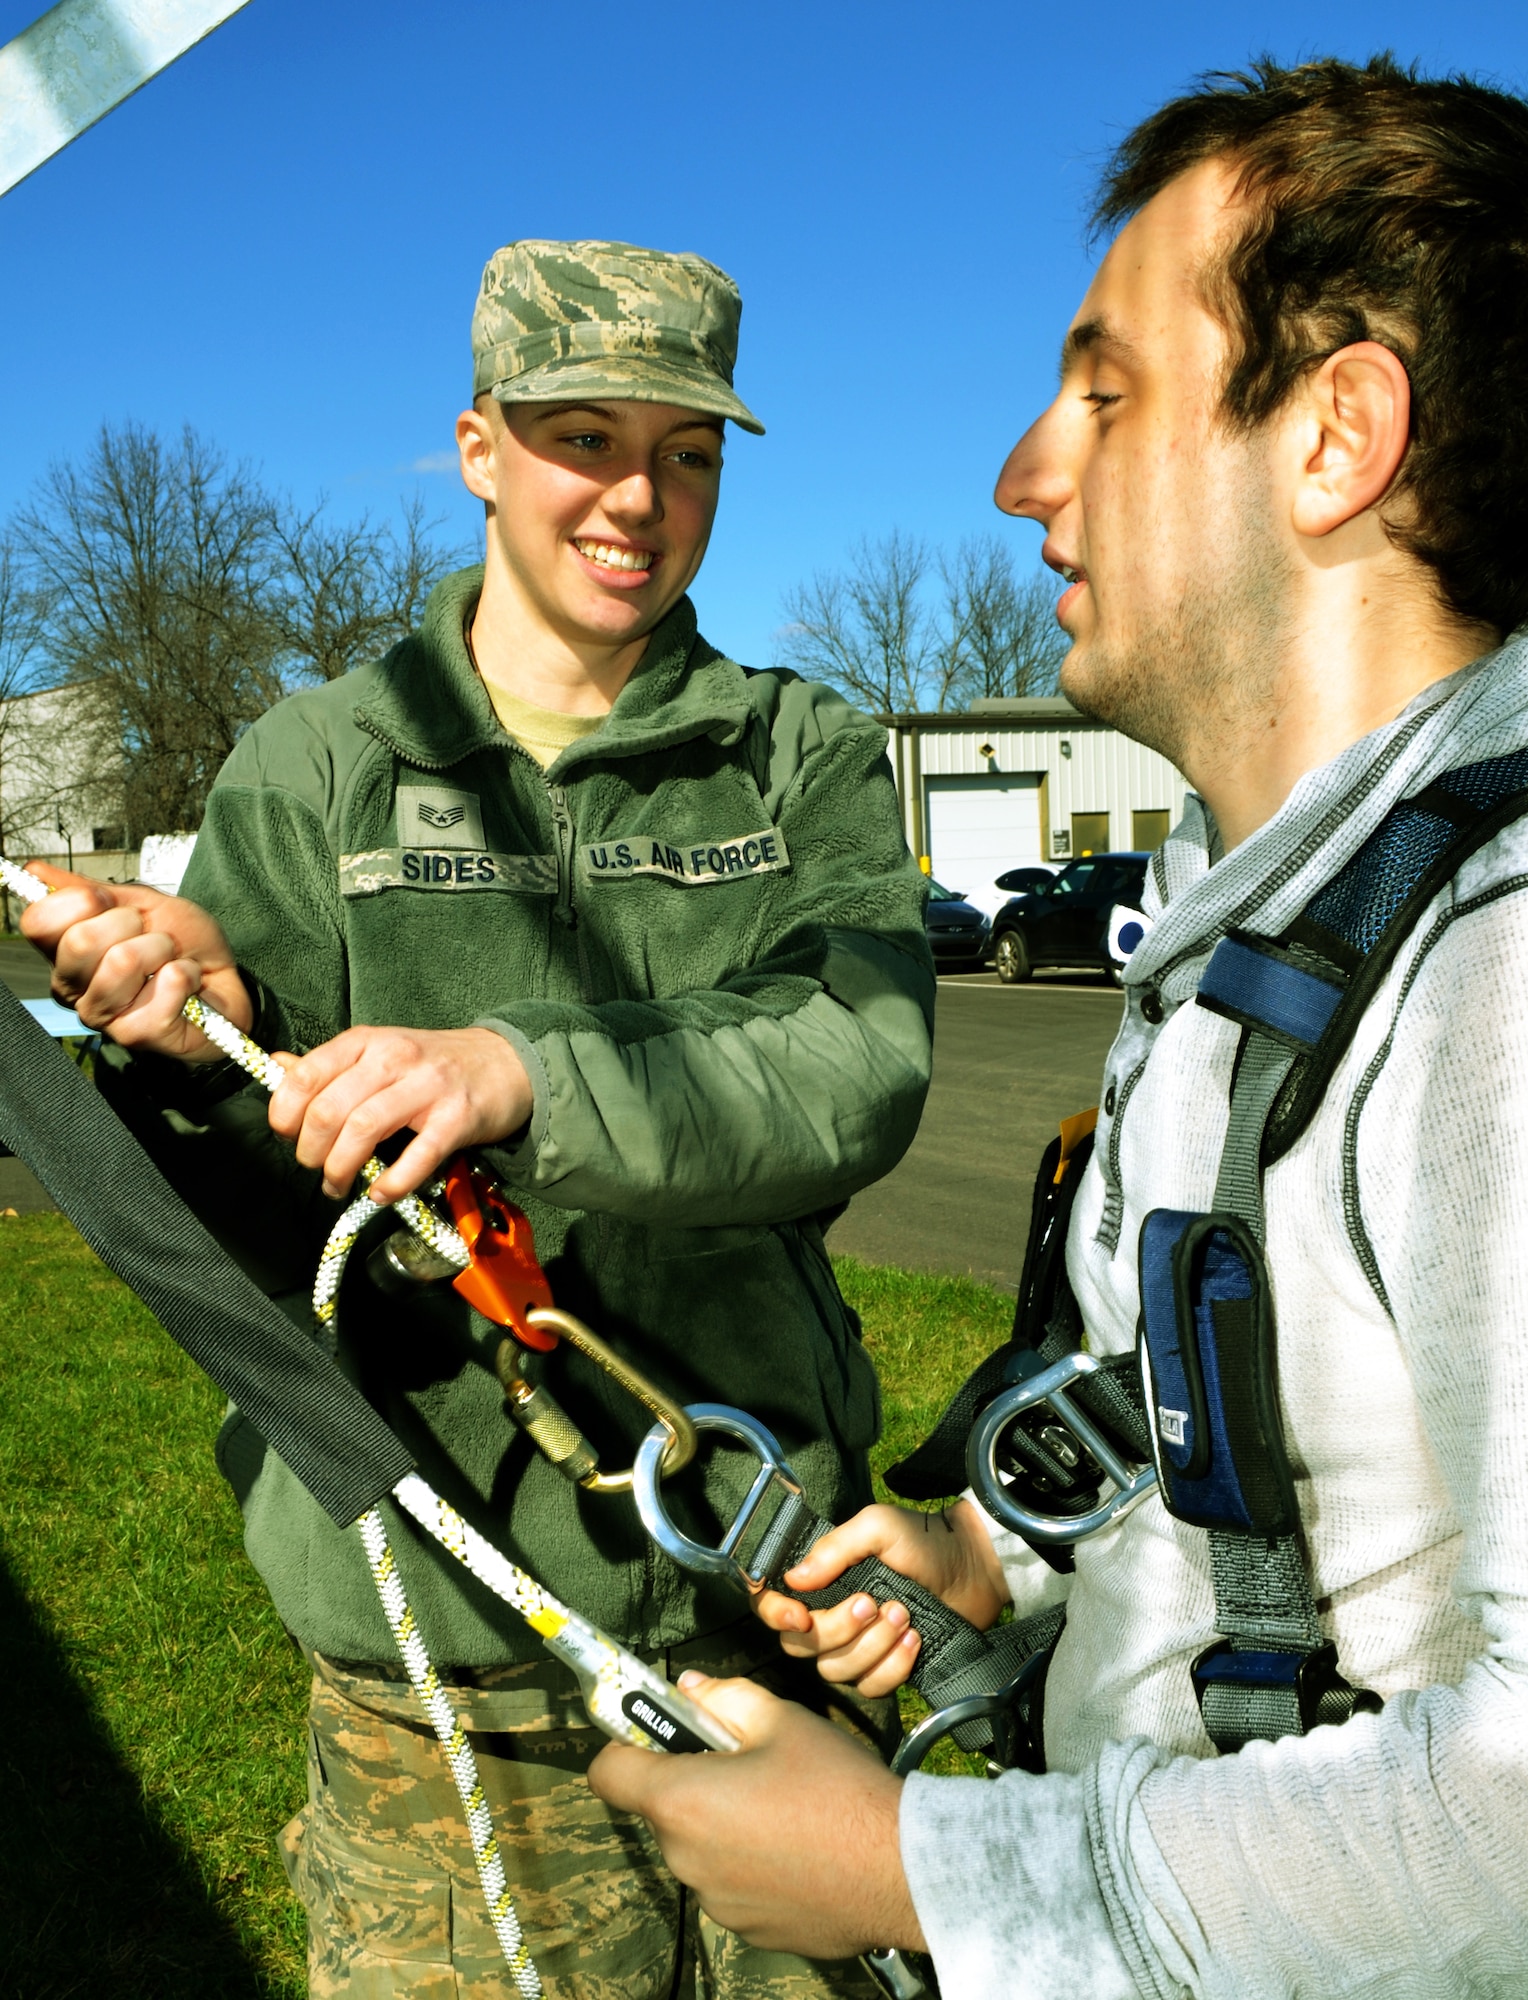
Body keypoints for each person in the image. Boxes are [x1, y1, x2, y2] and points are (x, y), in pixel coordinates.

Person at [588, 59, 1528, 1997]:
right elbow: (1253, 1443)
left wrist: (924, 1870)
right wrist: (992, 1564)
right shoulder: (1272, 934)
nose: (1021, 473)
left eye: (1104, 392)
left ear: (1335, 436)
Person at [22, 239, 932, 1997]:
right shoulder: (321, 763)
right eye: (584, 436)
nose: (638, 498)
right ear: (477, 448)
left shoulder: (795, 754)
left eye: (689, 454)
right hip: (456, 1661)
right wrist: (193, 1027)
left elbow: (857, 1064)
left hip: (777, 1606)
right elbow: (239, 1196)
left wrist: (514, 1071)